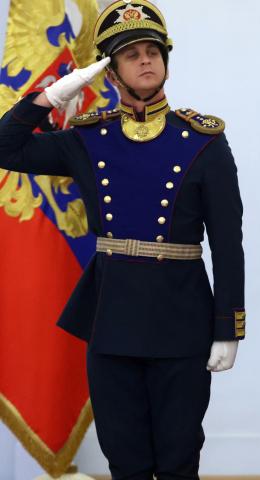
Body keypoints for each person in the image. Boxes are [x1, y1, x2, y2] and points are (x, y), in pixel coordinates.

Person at [0, 1, 245, 478]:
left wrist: (227, 327)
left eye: (152, 51)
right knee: (126, 462)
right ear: (110, 73)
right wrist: (52, 96)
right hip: (112, 320)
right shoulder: (89, 139)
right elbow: (7, 147)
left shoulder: (204, 142)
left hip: (181, 319)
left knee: (178, 460)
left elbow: (228, 244)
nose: (146, 60)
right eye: (131, 54)